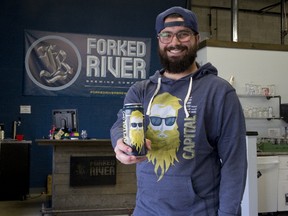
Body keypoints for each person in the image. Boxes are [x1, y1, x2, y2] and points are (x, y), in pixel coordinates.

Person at [110, 6, 247, 216]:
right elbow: (122, 122)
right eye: (167, 35)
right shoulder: (141, 90)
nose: (174, 42)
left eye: (183, 34)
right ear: (159, 40)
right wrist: (120, 141)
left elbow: (234, 163)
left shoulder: (219, 92)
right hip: (146, 211)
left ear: (196, 38)